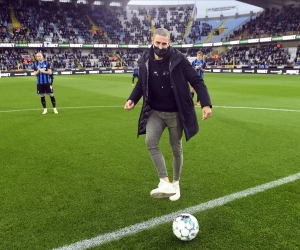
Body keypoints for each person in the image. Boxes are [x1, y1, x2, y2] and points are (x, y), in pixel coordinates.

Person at [124, 28, 212, 201]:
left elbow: (196, 80)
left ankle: (176, 183)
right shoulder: (145, 60)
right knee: (150, 141)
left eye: (164, 44)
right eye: (158, 43)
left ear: (169, 43)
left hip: (176, 113)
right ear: (152, 40)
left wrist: (206, 103)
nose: (161, 47)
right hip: (155, 112)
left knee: (176, 149)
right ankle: (164, 181)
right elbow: (141, 84)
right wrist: (132, 99)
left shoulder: (179, 59)